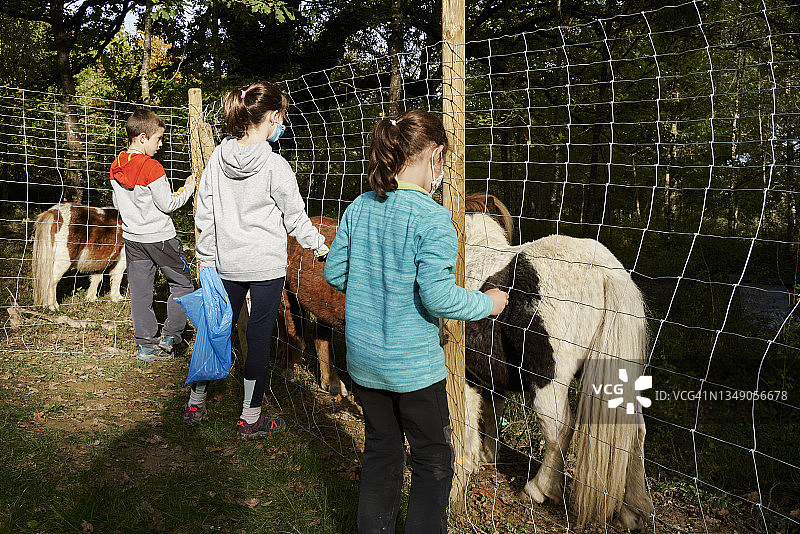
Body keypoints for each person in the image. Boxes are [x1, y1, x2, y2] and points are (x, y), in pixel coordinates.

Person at [324, 109, 509, 534]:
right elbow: (438, 295)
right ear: (436, 154)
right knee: (432, 462)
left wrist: (374, 279)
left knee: (381, 454)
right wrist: (487, 302)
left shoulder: (360, 207)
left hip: (365, 364)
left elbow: (335, 274)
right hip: (414, 372)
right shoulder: (433, 220)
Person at [189, 81, 329, 437]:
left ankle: (196, 401)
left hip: (225, 264)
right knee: (260, 336)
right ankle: (250, 417)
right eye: (281, 116)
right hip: (266, 267)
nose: (283, 123)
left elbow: (204, 211)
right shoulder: (275, 165)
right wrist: (319, 246)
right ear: (270, 117)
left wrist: (206, 258)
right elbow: (296, 218)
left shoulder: (218, 158)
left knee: (215, 329)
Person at [110, 108, 196, 362]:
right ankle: (171, 337)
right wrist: (189, 187)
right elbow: (168, 204)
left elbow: (118, 203)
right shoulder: (151, 167)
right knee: (183, 285)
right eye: (158, 139)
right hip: (160, 238)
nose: (160, 145)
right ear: (142, 138)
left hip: (133, 238)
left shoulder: (116, 165)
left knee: (140, 292)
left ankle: (146, 346)